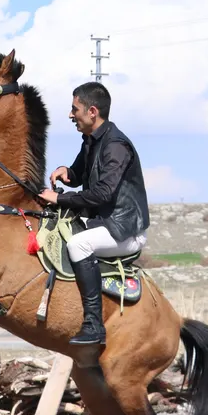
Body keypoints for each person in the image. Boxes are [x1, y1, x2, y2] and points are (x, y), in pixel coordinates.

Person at [38, 82, 150, 345]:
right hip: (104, 223)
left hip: (124, 230)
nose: (70, 115)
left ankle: (94, 325)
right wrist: (67, 172)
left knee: (78, 244)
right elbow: (79, 175)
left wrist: (59, 197)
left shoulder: (116, 145)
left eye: (74, 109)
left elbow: (102, 193)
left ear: (92, 111)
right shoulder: (91, 139)